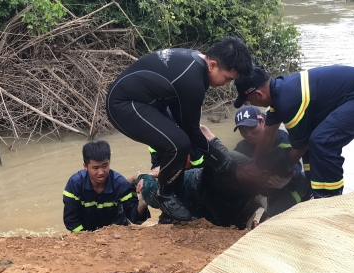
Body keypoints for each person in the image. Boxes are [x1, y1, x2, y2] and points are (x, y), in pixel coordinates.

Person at [106, 36, 252, 222]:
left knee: (178, 143)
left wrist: (212, 153)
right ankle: (164, 193)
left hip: (146, 101)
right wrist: (217, 155)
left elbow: (184, 122)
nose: (227, 84)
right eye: (227, 78)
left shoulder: (196, 64)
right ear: (213, 65)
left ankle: (173, 199)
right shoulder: (194, 81)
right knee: (179, 145)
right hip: (124, 104)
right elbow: (191, 131)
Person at [233, 65, 354, 198]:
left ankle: (329, 198)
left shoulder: (289, 102)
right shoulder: (279, 95)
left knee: (322, 141)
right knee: (315, 144)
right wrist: (254, 165)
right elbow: (268, 133)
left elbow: (299, 148)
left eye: (249, 100)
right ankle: (315, 191)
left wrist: (278, 171)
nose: (251, 103)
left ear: (258, 94)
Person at [130, 126, 294, 229]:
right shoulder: (228, 161)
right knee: (153, 194)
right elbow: (203, 133)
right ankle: (139, 177)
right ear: (264, 175)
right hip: (191, 187)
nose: (270, 188)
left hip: (219, 206)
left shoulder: (262, 179)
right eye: (271, 183)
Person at [233, 106, 311, 220]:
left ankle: (276, 215)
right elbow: (236, 179)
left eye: (252, 127)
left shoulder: (284, 140)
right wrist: (260, 199)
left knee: (303, 180)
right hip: (260, 192)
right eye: (243, 130)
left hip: (288, 187)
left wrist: (287, 180)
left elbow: (296, 169)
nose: (248, 134)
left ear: (263, 122)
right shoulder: (241, 148)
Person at [63, 141, 150, 232]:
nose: (101, 172)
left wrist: (142, 204)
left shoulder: (120, 184)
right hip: (85, 233)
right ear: (85, 166)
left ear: (109, 162)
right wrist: (87, 238)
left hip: (116, 233)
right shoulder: (75, 184)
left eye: (105, 166)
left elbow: (136, 220)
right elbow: (71, 220)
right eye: (95, 168)